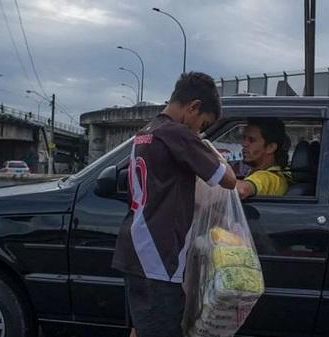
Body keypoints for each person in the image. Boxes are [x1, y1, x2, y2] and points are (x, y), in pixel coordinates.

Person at [112, 72, 237, 337]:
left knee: (142, 328)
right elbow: (228, 180)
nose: (198, 131)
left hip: (135, 248)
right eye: (201, 124)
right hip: (158, 256)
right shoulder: (178, 134)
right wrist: (209, 150)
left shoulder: (146, 131)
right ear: (194, 107)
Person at [236, 117, 290, 199]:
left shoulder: (268, 177)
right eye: (244, 138)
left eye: (251, 140)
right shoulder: (275, 175)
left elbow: (241, 190)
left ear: (271, 147)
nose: (244, 144)